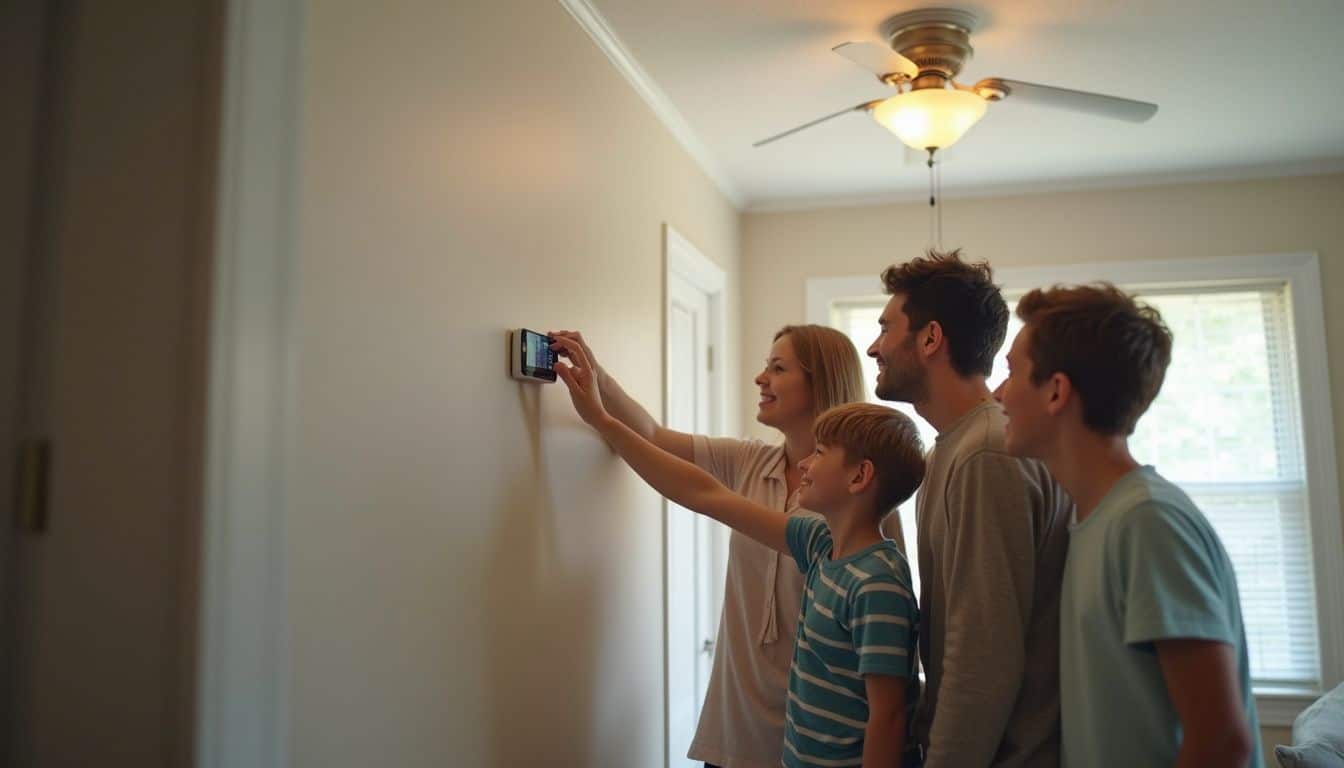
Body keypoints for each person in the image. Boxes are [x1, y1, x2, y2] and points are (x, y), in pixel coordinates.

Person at [553, 335, 926, 767]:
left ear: (860, 478)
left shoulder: (875, 570)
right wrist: (599, 402)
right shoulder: (815, 539)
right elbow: (701, 490)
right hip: (753, 739)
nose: (760, 377)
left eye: (779, 368)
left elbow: (889, 709)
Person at [995, 283, 1260, 767]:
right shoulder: (1093, 518)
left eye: (1012, 371)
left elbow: (1222, 743)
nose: (999, 393)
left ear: (1056, 391)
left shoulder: (1147, 522)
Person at [865, 250, 1072, 767]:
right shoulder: (949, 451)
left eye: (886, 329)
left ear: (931, 338)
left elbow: (982, 654)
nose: (874, 347)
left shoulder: (986, 453)